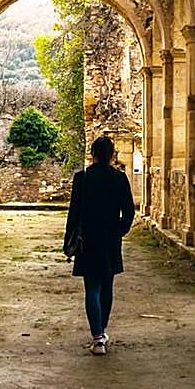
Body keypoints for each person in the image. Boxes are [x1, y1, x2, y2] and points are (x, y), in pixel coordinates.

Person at [63, 136, 135, 355]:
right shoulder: (120, 178)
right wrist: (119, 230)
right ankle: (101, 332)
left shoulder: (82, 178)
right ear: (112, 155)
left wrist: (68, 239)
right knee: (107, 285)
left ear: (92, 153)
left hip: (88, 239)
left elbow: (74, 212)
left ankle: (97, 337)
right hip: (110, 238)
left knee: (92, 287)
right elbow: (129, 211)